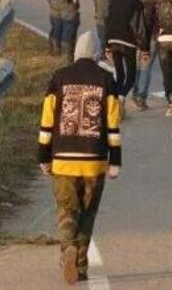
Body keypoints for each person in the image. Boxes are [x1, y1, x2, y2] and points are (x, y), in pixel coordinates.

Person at [37, 31, 121, 285]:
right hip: (94, 158)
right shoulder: (106, 79)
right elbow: (113, 123)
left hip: (63, 157)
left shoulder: (59, 77)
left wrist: (44, 155)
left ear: (76, 51)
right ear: (96, 53)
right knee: (88, 212)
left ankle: (68, 248)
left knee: (66, 210)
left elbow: (47, 120)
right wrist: (115, 160)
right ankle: (81, 265)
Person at [105, 0, 149, 106]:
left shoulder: (114, 1)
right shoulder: (136, 3)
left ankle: (113, 100)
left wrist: (107, 45)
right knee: (131, 76)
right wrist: (145, 48)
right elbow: (139, 27)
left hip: (113, 40)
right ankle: (121, 98)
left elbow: (107, 22)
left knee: (120, 75)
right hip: (128, 41)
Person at [132, 0, 162, 111]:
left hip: (134, 36)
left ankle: (135, 92)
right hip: (152, 36)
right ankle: (141, 97)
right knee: (146, 68)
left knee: (136, 66)